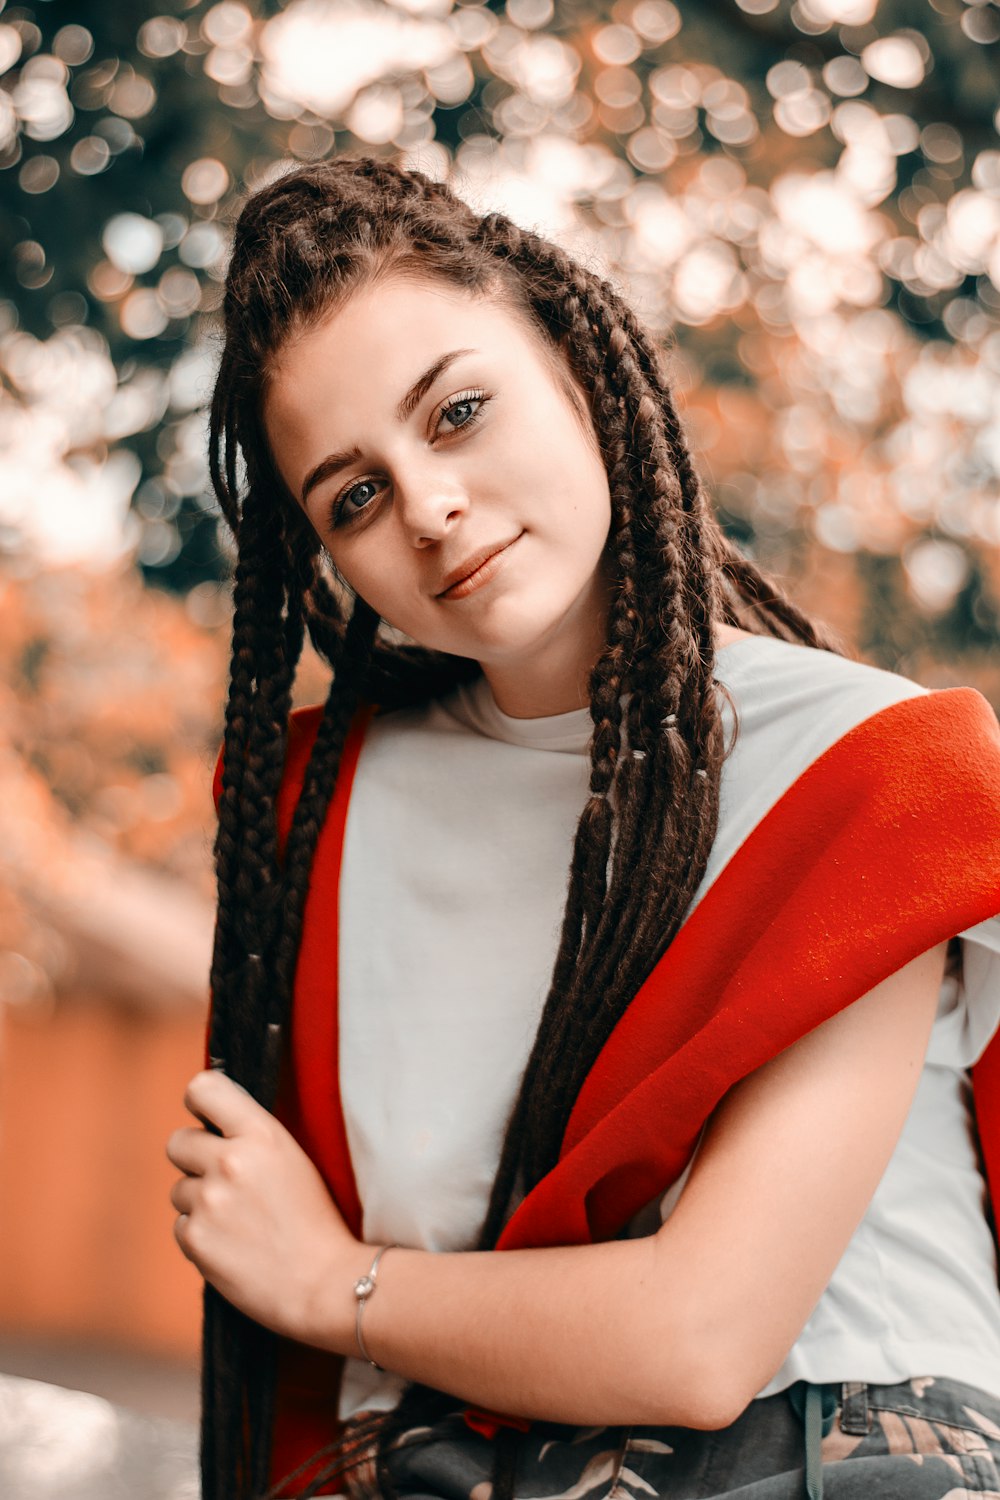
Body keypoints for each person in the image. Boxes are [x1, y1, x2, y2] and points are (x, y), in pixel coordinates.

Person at [165, 154, 1000, 1500]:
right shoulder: (316, 819)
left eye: (459, 412)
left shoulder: (870, 768)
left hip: (832, 1448)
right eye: (355, 497)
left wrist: (338, 1283)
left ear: (574, 364)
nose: (428, 507)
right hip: (439, 1463)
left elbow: (701, 1338)